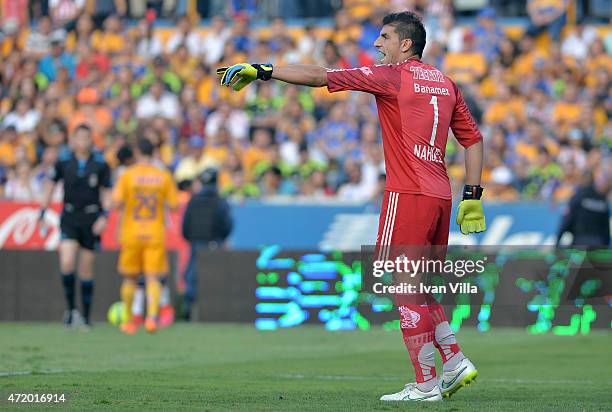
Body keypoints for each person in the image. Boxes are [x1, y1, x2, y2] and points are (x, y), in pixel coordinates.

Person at [217, 11, 486, 401]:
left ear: (404, 44)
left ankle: (426, 383)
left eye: (384, 37)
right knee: (420, 285)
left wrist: (263, 70)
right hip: (441, 195)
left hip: (407, 192)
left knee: (403, 284)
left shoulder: (391, 76)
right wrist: (473, 196)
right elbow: (473, 140)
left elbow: (320, 76)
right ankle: (455, 360)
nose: (377, 44)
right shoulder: (446, 84)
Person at [39, 124, 112, 329]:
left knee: (86, 269)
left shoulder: (100, 164)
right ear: (73, 139)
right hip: (69, 216)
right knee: (67, 262)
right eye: (79, 137)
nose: (83, 141)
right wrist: (43, 211)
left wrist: (104, 217)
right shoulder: (64, 161)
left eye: (86, 137)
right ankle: (71, 311)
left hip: (91, 218)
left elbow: (106, 192)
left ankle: (86, 317)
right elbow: (50, 185)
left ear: (91, 139)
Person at [112, 138, 178, 334]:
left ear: (137, 153)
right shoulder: (163, 176)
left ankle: (130, 321)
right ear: (153, 153)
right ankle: (151, 319)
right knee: (152, 278)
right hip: (154, 232)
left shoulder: (127, 175)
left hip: (132, 232)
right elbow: (174, 206)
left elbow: (115, 203)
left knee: (130, 279)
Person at [181, 168, 232, 320]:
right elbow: (227, 225)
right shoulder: (220, 201)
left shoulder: (193, 201)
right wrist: (219, 240)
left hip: (196, 244)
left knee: (192, 278)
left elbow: (185, 227)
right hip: (214, 244)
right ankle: (215, 313)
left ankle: (189, 310)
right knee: (216, 280)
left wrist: (193, 240)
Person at [557, 165, 610, 247]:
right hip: (599, 243)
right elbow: (606, 227)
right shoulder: (602, 199)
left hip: (580, 241)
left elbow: (567, 220)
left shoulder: (577, 197)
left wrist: (557, 241)